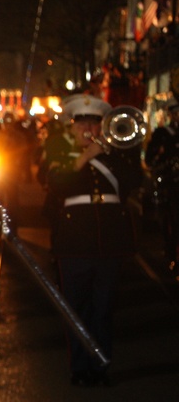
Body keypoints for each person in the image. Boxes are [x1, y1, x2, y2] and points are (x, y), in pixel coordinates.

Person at [43, 95, 143, 386]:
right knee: (76, 307)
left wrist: (111, 150)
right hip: (74, 241)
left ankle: (100, 365)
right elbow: (55, 183)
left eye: (94, 122)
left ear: (103, 126)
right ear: (72, 128)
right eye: (81, 122)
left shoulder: (117, 153)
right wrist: (86, 156)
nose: (88, 128)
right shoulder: (61, 152)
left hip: (110, 240)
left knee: (103, 307)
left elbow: (133, 182)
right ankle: (79, 367)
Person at [145, 98, 179, 276]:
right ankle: (172, 253)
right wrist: (162, 157)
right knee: (172, 220)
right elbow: (150, 160)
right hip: (171, 184)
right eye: (176, 113)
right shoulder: (162, 134)